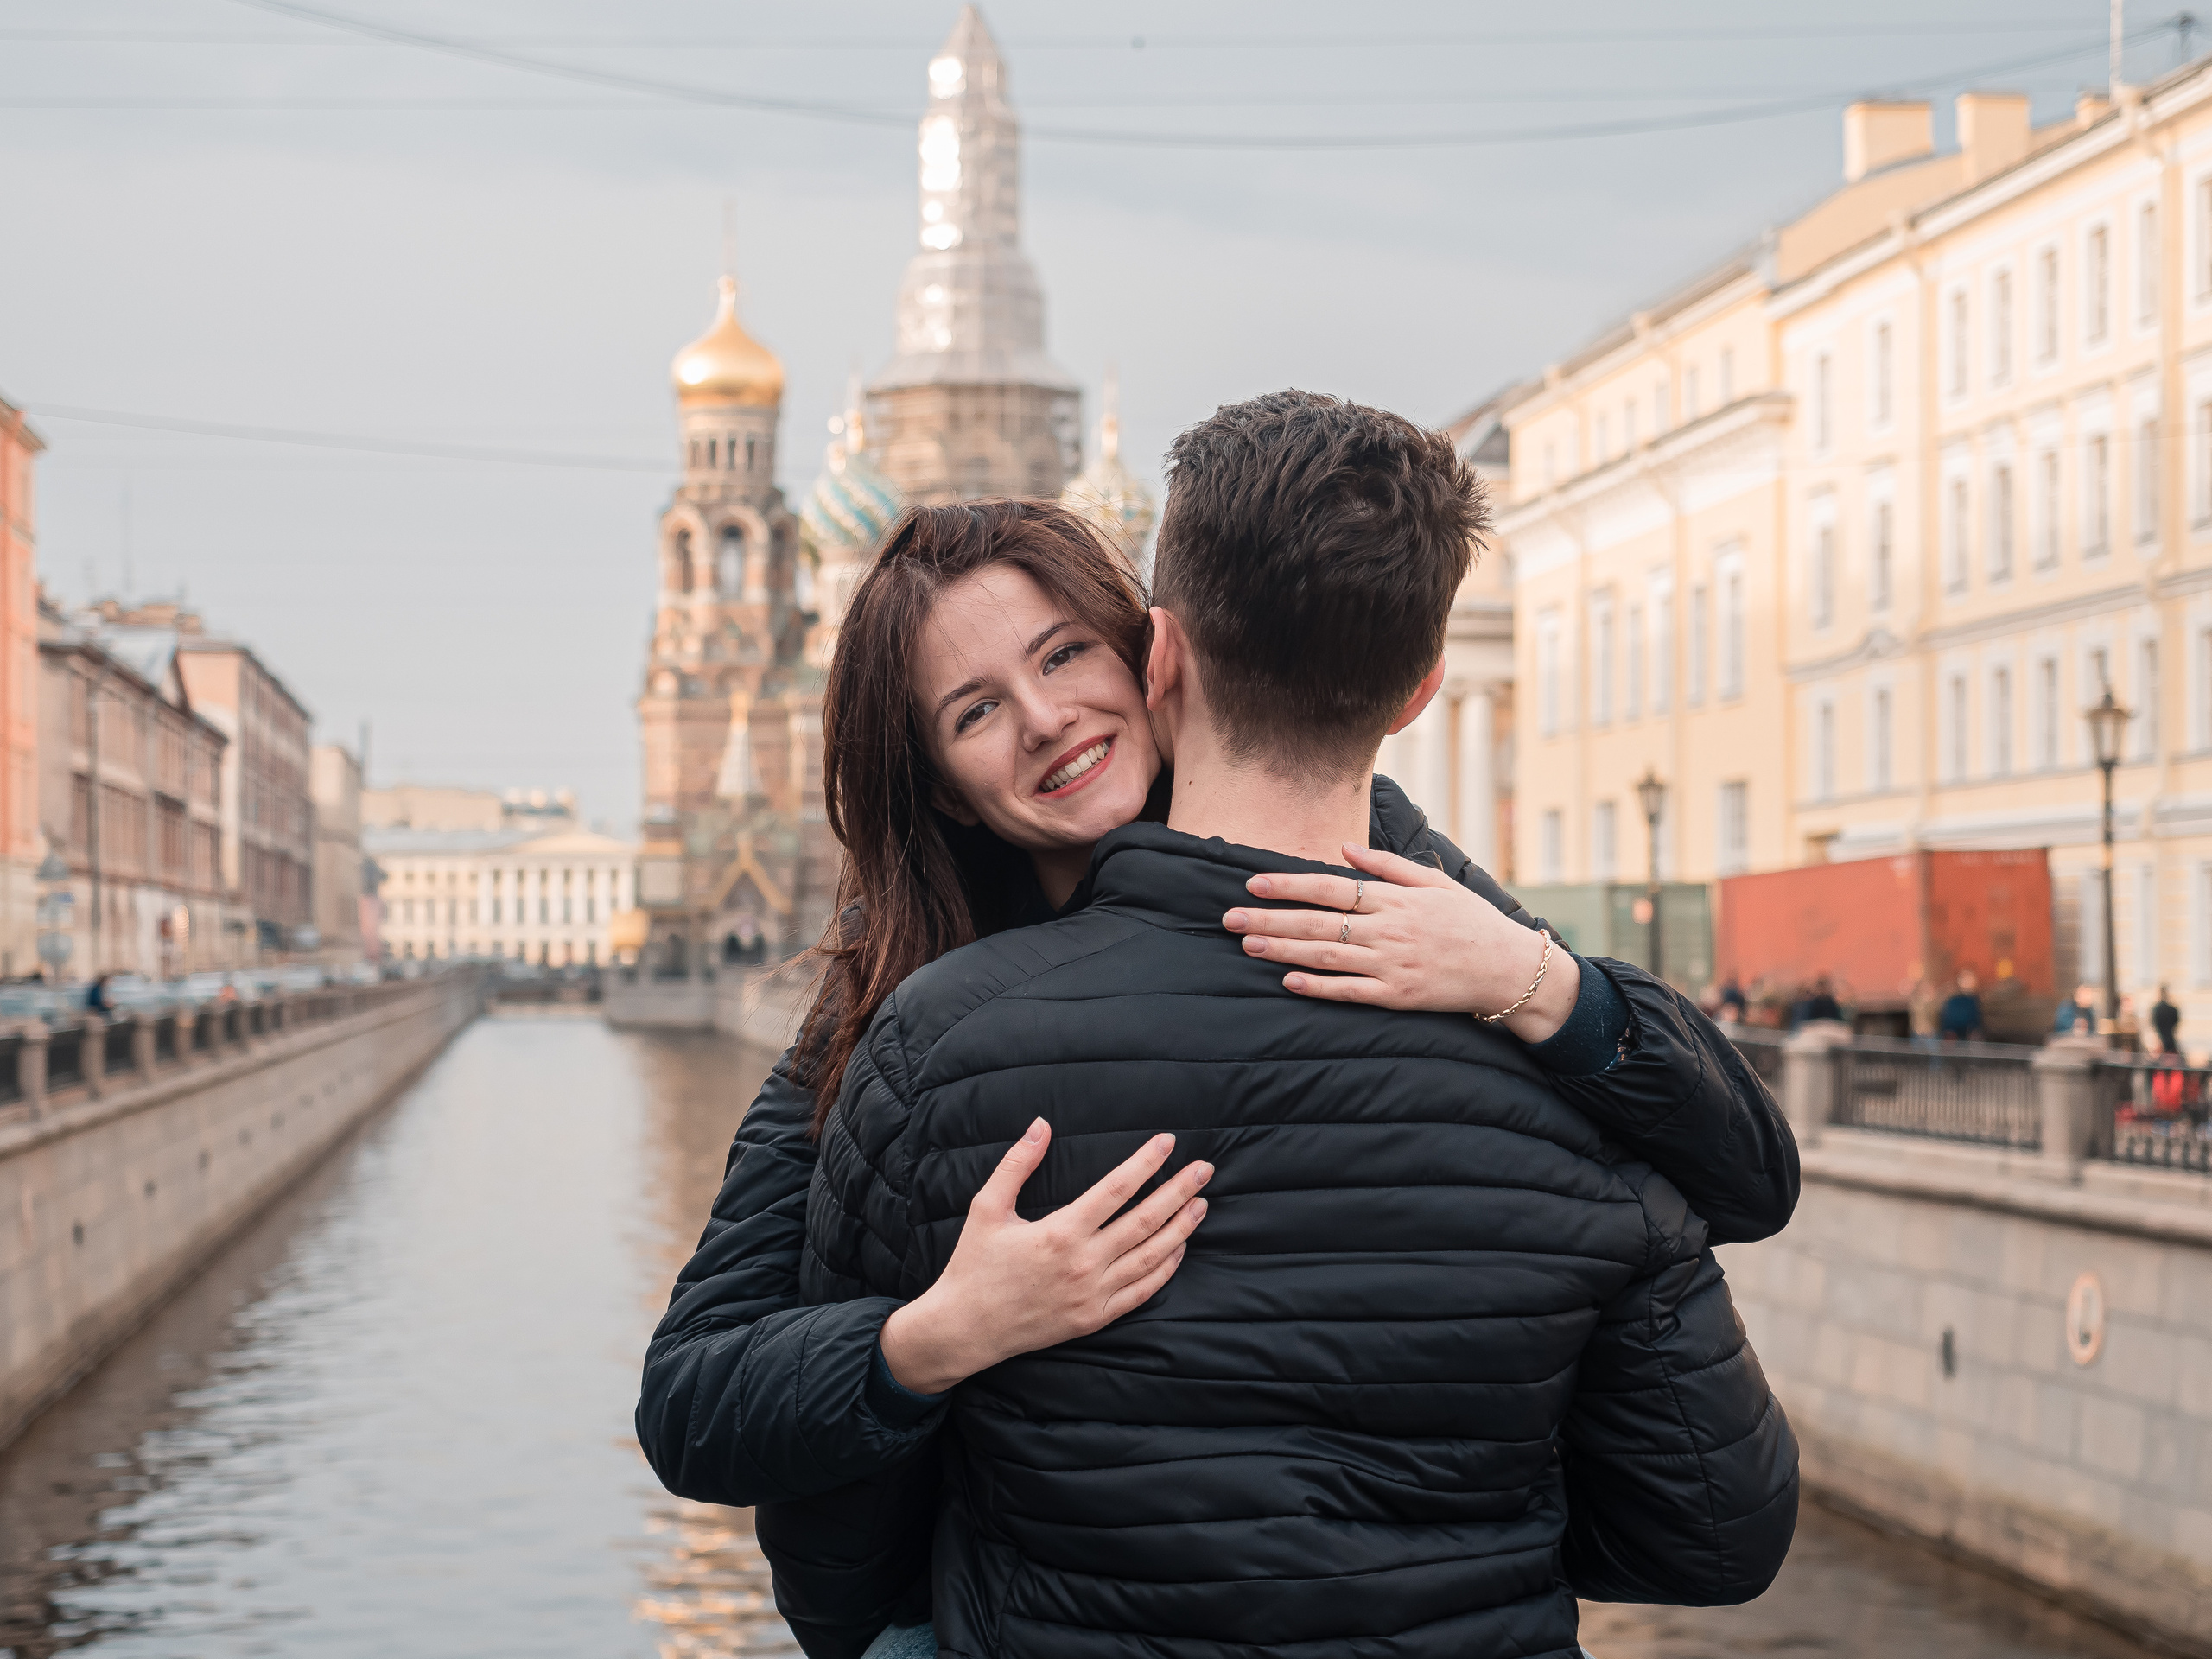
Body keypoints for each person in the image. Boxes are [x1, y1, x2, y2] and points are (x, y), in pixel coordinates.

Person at [637, 490, 1801, 1659]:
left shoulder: (1388, 885)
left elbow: (1749, 1174)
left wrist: (1541, 980)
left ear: (1155, 657)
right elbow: (693, 1406)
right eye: (978, 709)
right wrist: (935, 1336)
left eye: (1065, 654)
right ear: (940, 780)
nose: (1045, 719)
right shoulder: (894, 1000)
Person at [1939, 968, 1984, 1043]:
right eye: (1964, 979)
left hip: (1971, 1039)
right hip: (1955, 1039)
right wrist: (1950, 1031)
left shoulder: (1976, 1000)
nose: (1966, 981)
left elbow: (1978, 1018)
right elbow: (1948, 1019)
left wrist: (1975, 1030)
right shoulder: (1953, 1000)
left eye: (1969, 978)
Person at [2152, 983, 2181, 1057]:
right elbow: (2176, 1022)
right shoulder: (2172, 1009)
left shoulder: (2156, 1009)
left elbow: (2154, 1024)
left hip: (2161, 1040)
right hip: (2170, 1040)